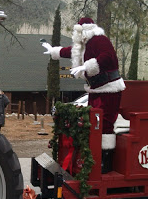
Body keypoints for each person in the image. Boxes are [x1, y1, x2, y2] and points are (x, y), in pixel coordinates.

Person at [42, 17, 126, 173]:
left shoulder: (100, 40)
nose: (75, 35)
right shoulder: (84, 45)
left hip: (110, 89)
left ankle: (105, 163)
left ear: (84, 31)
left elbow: (108, 57)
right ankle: (94, 159)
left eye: (77, 32)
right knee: (93, 125)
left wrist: (86, 66)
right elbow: (70, 51)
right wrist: (54, 51)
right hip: (95, 90)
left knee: (105, 125)